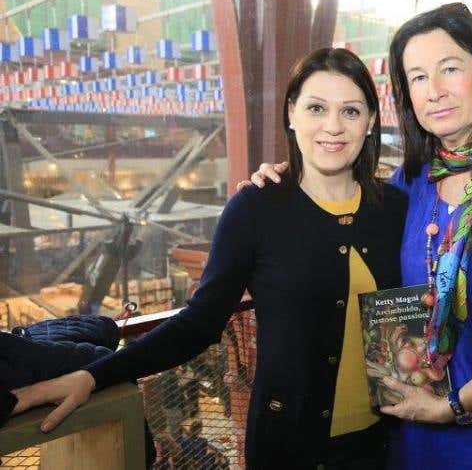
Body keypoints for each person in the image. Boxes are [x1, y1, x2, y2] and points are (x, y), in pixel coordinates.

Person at [10, 48, 408, 469]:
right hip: (288, 449)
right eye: (316, 108)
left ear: (370, 122)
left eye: (350, 111)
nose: (333, 126)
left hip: (382, 447)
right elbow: (199, 323)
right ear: (292, 114)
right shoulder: (256, 209)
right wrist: (96, 374)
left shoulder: (397, 209)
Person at [247, 3, 472, 469]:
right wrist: (287, 182)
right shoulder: (410, 184)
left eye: (449, 68)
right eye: (417, 77)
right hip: (415, 430)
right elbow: (337, 216)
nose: (434, 91)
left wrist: (452, 406)